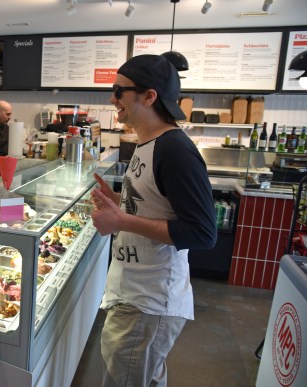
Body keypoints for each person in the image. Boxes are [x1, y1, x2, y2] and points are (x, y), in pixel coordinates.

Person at [90, 55, 217, 387]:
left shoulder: (175, 149)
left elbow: (202, 233)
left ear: (149, 96)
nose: (112, 99)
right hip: (134, 296)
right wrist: (119, 204)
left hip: (149, 303)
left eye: (119, 91)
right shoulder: (147, 143)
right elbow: (155, 206)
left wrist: (121, 221)